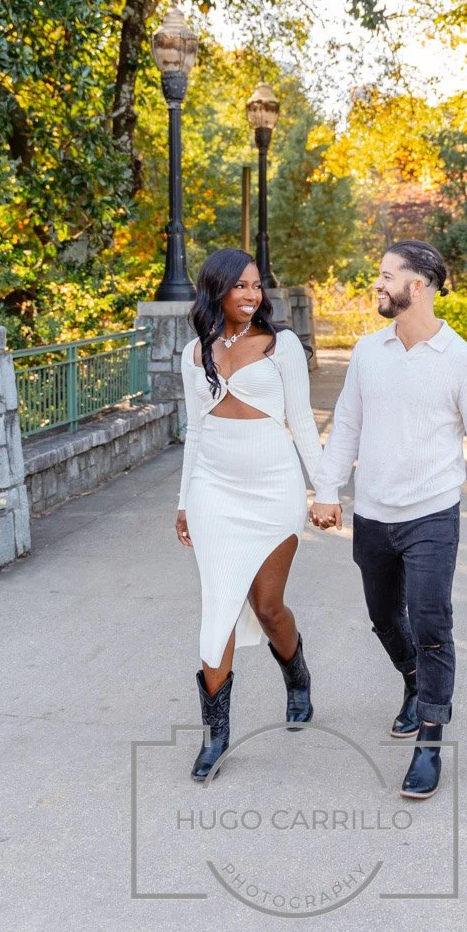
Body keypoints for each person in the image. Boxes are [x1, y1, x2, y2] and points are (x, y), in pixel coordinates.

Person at [310, 239, 467, 800]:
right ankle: (412, 683)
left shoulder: (462, 361)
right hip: (373, 512)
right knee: (383, 617)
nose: (376, 284)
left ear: (416, 286)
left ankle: (429, 736)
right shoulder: (368, 352)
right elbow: (345, 425)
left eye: (385, 276)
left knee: (431, 624)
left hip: (432, 513)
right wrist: (327, 490)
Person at [176, 248, 325, 781]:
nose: (250, 294)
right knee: (219, 606)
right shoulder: (195, 353)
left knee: (267, 606)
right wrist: (183, 501)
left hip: (274, 487)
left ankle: (297, 677)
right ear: (215, 289)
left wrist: (324, 489)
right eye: (239, 285)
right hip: (214, 490)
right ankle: (216, 737)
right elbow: (195, 431)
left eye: (256, 285)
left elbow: (302, 422)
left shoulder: (281, 346)